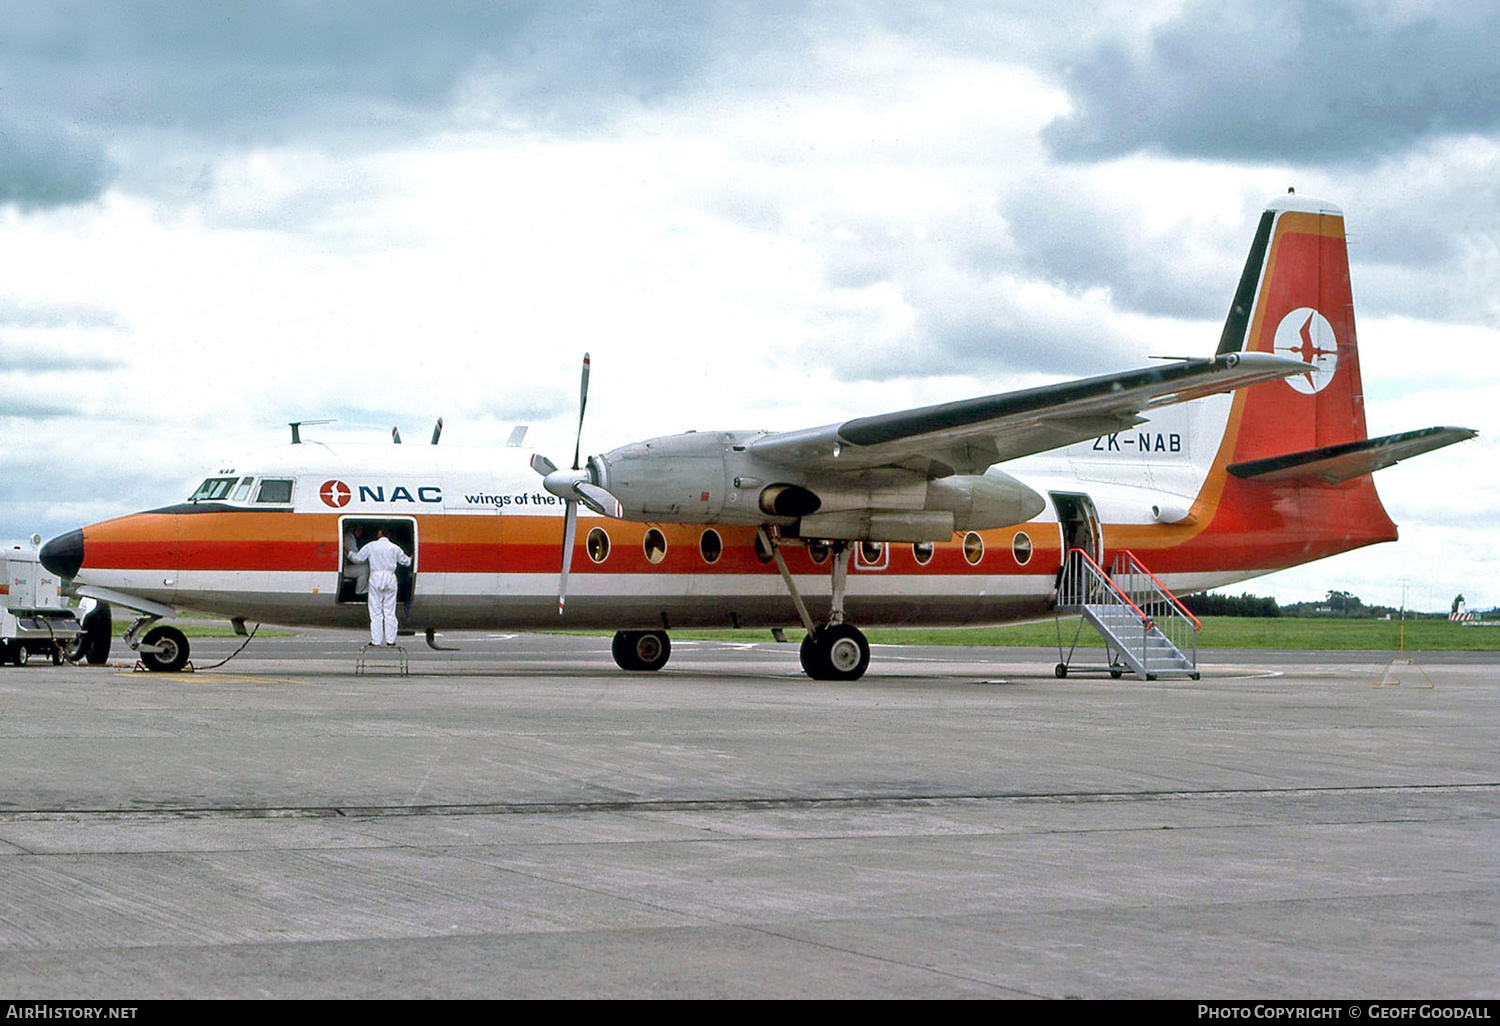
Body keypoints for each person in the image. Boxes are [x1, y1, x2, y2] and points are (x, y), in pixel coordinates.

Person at [346, 528, 412, 646]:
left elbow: (357, 558)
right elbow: (406, 562)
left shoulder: (371, 546)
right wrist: (413, 555)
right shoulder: (394, 547)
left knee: (376, 610)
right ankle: (390, 640)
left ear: (380, 533)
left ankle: (376, 640)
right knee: (390, 611)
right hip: (390, 577)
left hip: (376, 577)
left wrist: (347, 549)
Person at [341, 524, 368, 597]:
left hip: (346, 566)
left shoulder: (351, 537)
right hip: (343, 568)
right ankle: (360, 593)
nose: (361, 532)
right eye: (360, 529)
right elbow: (355, 558)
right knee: (364, 569)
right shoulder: (349, 538)